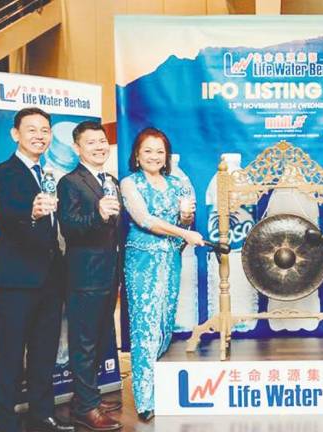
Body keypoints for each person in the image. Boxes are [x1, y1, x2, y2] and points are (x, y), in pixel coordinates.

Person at [0, 107, 73, 432]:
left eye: (45, 130)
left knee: (44, 352)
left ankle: (43, 415)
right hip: (16, 280)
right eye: (32, 130)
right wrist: (33, 213)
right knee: (10, 355)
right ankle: (6, 423)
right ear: (15, 134)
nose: (40, 136)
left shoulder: (50, 174)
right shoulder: (2, 172)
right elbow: (7, 216)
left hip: (51, 279)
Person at [120, 127, 204, 421]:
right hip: (142, 261)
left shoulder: (176, 183)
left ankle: (159, 390)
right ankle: (145, 400)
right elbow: (145, 219)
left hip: (170, 260)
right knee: (145, 328)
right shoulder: (130, 183)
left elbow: (184, 219)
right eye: (148, 151)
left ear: (166, 155)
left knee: (164, 326)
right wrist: (184, 231)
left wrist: (186, 215)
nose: (154, 156)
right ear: (137, 155)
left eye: (160, 151)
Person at [57, 121, 122, 431]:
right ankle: (86, 410)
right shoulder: (70, 182)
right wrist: (98, 213)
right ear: (77, 148)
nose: (99, 146)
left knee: (97, 339)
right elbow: (70, 227)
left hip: (109, 274)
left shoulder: (110, 180)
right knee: (83, 343)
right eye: (91, 142)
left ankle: (86, 399)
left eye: (102, 141)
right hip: (84, 275)